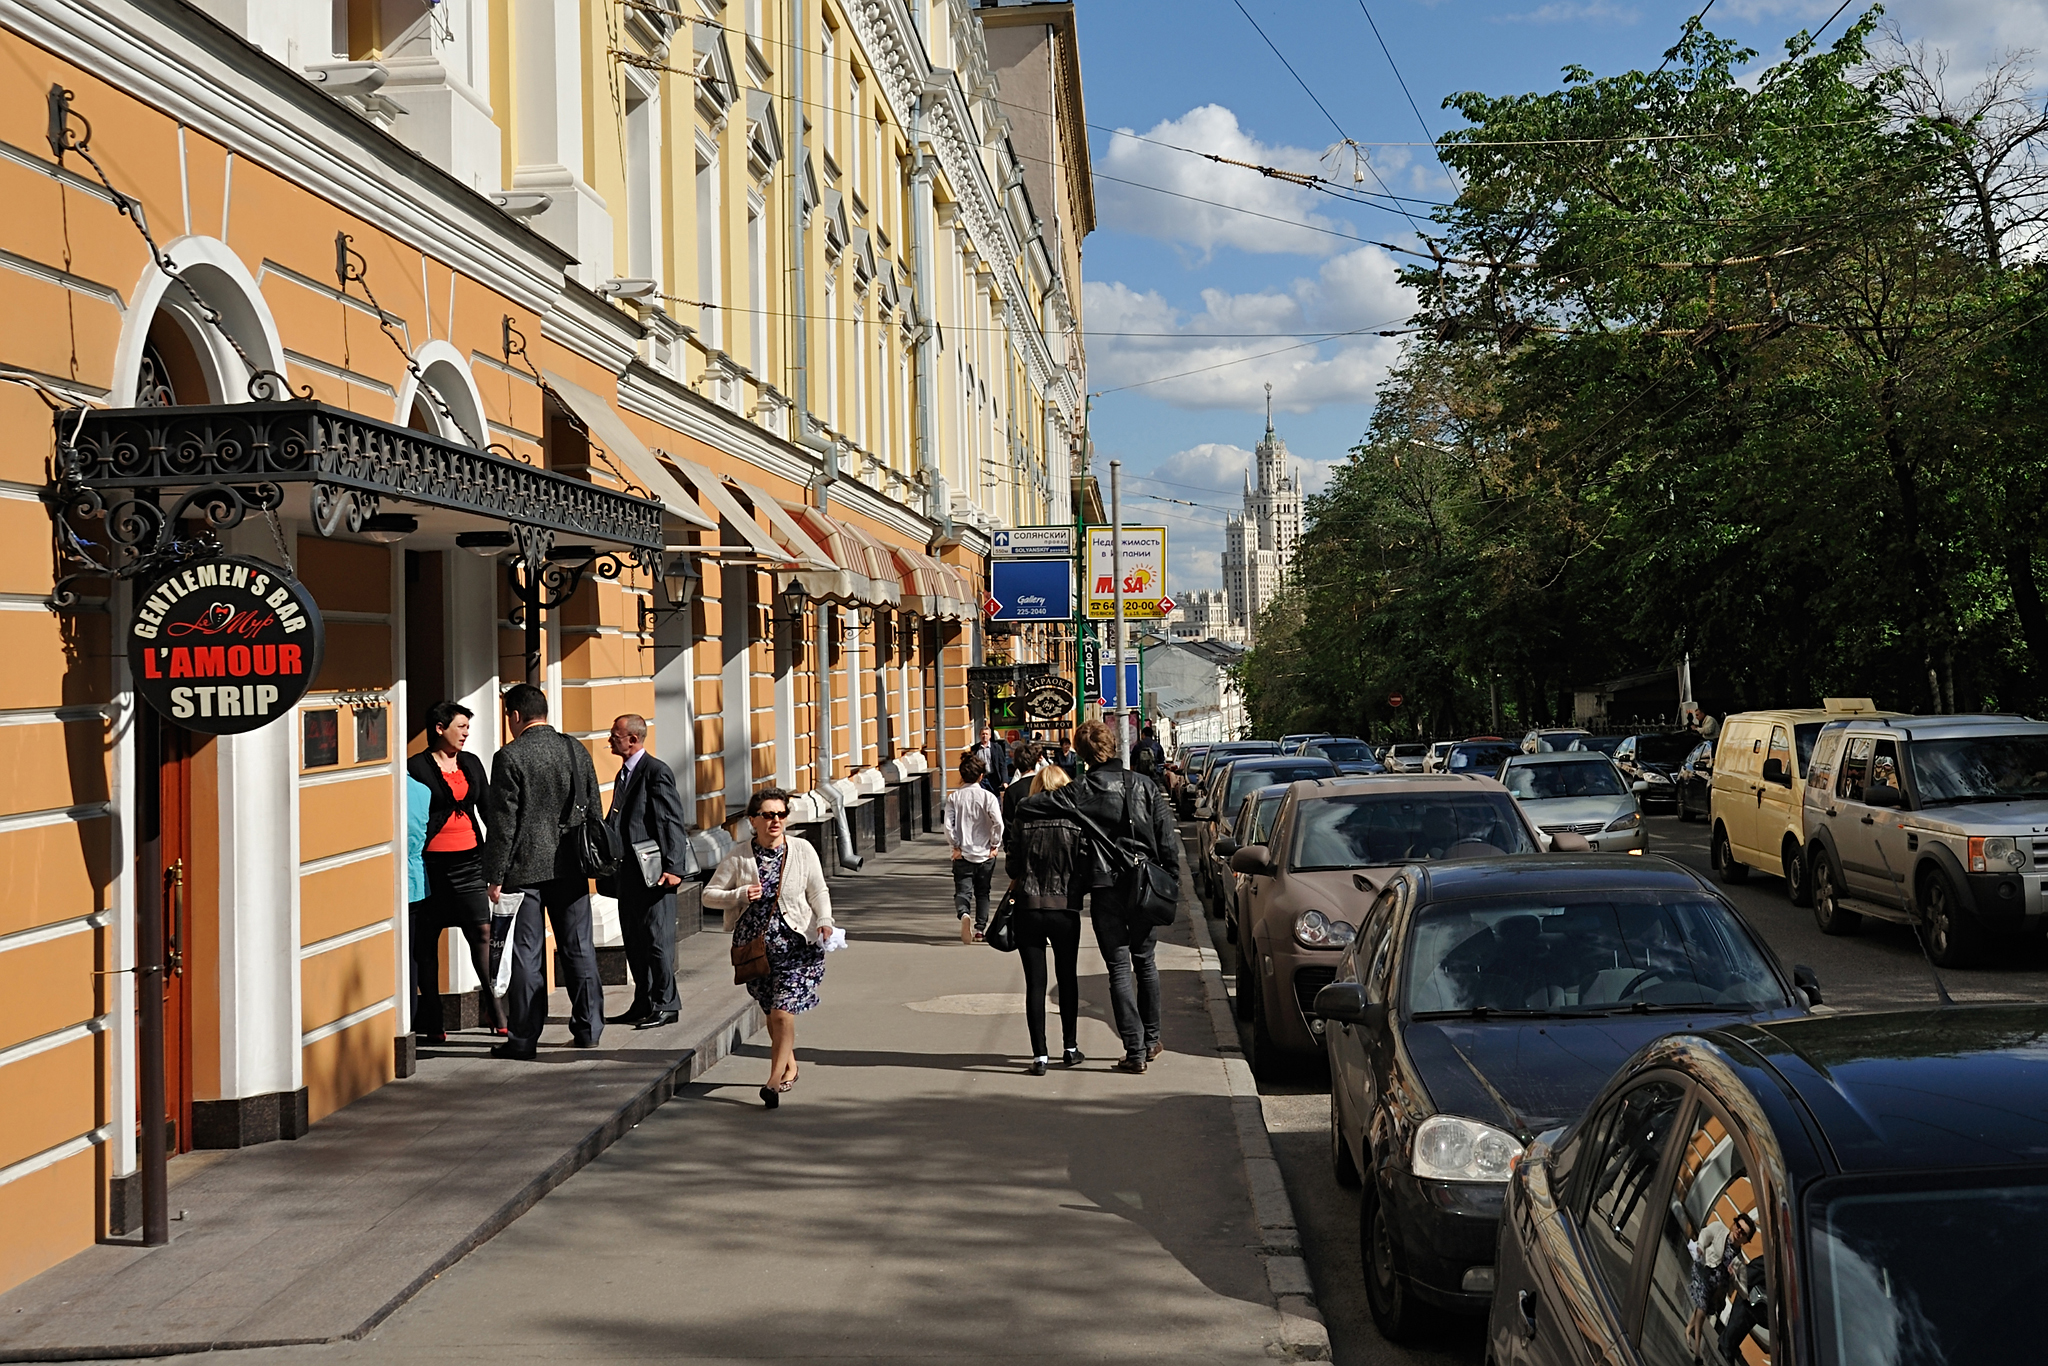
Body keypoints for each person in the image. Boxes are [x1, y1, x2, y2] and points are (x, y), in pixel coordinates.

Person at [1020, 719, 1179, 1073]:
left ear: (1080, 753)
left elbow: (1030, 807)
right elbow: (1168, 839)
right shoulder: (1144, 785)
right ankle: (1151, 1040)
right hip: (1145, 885)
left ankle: (1134, 1050)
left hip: (1106, 886)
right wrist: (1171, 882)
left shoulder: (1081, 790)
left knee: (1119, 966)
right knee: (1146, 962)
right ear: (1113, 745)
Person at [481, 683, 605, 1060]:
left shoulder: (510, 756)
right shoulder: (576, 749)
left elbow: (504, 824)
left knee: (527, 955)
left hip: (525, 870)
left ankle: (523, 1039)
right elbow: (595, 807)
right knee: (579, 948)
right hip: (572, 864)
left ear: (516, 716)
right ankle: (588, 1028)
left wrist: (495, 874)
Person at [702, 788, 836, 1108]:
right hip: (756, 950)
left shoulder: (802, 850)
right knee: (771, 1011)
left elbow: (818, 890)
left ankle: (773, 1082)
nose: (775, 820)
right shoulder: (739, 856)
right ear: (753, 820)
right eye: (768, 815)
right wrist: (739, 895)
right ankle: (789, 1063)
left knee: (782, 1011)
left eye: (781, 814)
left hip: (797, 946)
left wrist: (825, 919)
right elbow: (709, 895)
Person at [407, 701, 505, 1041]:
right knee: (426, 944)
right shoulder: (416, 767)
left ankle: (496, 1008)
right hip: (431, 865)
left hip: (470, 863)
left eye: (467, 727)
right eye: (460, 726)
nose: (466, 733)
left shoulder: (471, 763)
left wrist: (498, 863)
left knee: (482, 933)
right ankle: (433, 1020)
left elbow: (489, 810)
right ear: (439, 728)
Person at [602, 713, 690, 1030]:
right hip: (628, 874)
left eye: (615, 734)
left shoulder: (655, 772)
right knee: (635, 941)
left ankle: (667, 1004)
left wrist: (674, 867)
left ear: (633, 739)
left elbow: (670, 821)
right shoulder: (624, 773)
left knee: (656, 941)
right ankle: (644, 1002)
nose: (610, 739)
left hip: (654, 874)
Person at [1006, 761, 1086, 1074]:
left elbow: (1013, 867)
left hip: (1028, 907)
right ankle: (1070, 1048)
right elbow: (1083, 864)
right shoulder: (1075, 818)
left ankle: (1039, 1056)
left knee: (1035, 984)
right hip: (1065, 908)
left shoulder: (1022, 816)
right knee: (1067, 978)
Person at [945, 753, 1004, 942]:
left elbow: (948, 826)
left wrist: (955, 846)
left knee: (962, 891)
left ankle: (963, 914)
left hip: (963, 853)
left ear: (962, 775)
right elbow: (998, 823)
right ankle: (980, 929)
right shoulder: (988, 797)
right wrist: (994, 844)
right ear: (981, 776)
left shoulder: (954, 798)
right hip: (985, 853)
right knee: (983, 892)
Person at [1687, 1213, 1753, 1358]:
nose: (1738, 1232)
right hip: (1704, 1273)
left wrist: (1733, 1277)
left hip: (1717, 1289)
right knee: (1702, 1311)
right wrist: (1700, 1247)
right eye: (1738, 1226)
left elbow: (1743, 1291)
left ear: (1746, 1240)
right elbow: (1705, 1234)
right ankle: (1698, 1351)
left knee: (1702, 1308)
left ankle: (1688, 1329)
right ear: (1734, 1223)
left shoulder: (1740, 1262)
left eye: (1743, 1233)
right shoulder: (1719, 1229)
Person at [974, 723, 1011, 794]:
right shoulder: (974, 749)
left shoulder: (996, 748)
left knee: (995, 799)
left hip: (993, 779)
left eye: (986, 734)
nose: (984, 736)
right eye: (983, 734)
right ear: (979, 735)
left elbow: (1002, 765)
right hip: (981, 779)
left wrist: (1004, 781)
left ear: (990, 736)